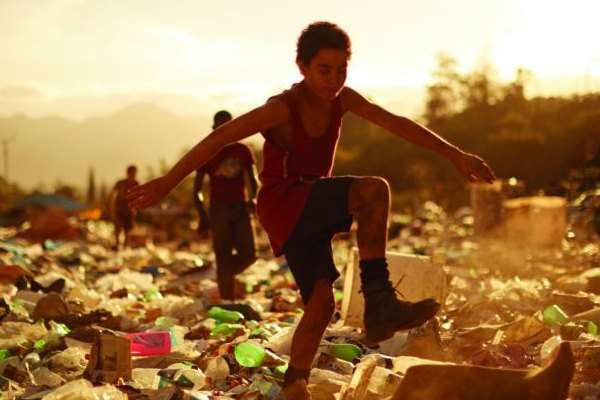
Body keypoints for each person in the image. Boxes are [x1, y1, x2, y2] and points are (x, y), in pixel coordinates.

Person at [128, 21, 496, 399]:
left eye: (342, 70)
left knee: (321, 306)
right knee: (374, 191)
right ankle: (380, 300)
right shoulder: (282, 108)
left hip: (309, 208)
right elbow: (220, 138)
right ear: (302, 67)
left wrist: (455, 154)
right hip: (285, 201)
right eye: (324, 70)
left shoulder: (344, 100)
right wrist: (168, 181)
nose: (334, 80)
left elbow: (398, 124)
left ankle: (294, 383)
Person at [193, 110, 258, 300]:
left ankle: (225, 274)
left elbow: (253, 180)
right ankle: (228, 301)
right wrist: (202, 215)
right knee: (223, 257)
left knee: (249, 255)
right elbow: (196, 189)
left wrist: (253, 199)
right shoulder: (207, 150)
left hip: (240, 206)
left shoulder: (243, 150)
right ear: (214, 129)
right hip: (218, 208)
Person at [108, 165, 138, 249]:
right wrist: (111, 207)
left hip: (129, 210)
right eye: (132, 172)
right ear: (128, 173)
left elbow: (137, 197)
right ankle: (117, 245)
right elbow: (112, 194)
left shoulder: (136, 183)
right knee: (118, 227)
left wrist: (135, 210)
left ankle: (125, 246)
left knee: (127, 230)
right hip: (120, 209)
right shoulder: (121, 183)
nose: (134, 174)